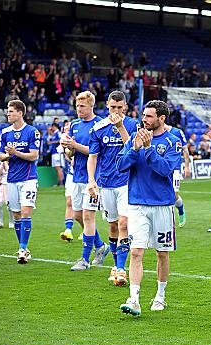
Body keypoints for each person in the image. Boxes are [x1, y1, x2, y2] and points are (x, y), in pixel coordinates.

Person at [118, 100, 182, 316]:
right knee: (136, 251)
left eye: (149, 116)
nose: (144, 119)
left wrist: (148, 149)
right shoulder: (134, 139)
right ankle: (133, 298)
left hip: (162, 205)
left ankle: (160, 296)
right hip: (137, 204)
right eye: (143, 115)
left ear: (161, 118)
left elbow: (164, 170)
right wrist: (135, 148)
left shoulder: (173, 142)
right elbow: (121, 166)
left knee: (162, 253)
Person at [87, 90, 139, 285]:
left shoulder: (133, 125)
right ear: (107, 105)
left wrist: (120, 127)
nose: (116, 111)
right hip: (106, 183)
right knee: (113, 225)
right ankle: (116, 264)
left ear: (125, 106)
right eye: (112, 107)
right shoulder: (98, 128)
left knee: (124, 224)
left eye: (119, 107)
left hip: (127, 181)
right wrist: (91, 180)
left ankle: (120, 268)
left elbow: (133, 148)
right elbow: (93, 158)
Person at [61, 91, 106, 271]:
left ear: (91, 106)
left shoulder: (100, 124)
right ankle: (101, 246)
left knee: (88, 216)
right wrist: (67, 148)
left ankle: (85, 259)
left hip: (93, 178)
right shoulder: (74, 125)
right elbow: (71, 153)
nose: (79, 109)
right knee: (78, 215)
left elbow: (97, 152)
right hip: (76, 175)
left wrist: (75, 146)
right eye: (77, 106)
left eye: (82, 106)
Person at [0, 100, 41, 264]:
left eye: (10, 111)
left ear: (20, 113)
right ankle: (23, 247)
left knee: (25, 213)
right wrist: (8, 155)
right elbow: (0, 156)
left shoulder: (32, 132)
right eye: (8, 111)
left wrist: (15, 152)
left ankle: (22, 249)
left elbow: (34, 155)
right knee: (16, 215)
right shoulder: (5, 133)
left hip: (29, 178)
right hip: (12, 178)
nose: (8, 114)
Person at [164, 122, 191, 227]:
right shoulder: (153, 132)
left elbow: (185, 150)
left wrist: (187, 166)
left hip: (175, 168)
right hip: (162, 168)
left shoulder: (177, 132)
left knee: (174, 195)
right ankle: (169, 220)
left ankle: (180, 209)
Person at [0, 160, 14, 228]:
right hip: (2, 187)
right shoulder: (2, 164)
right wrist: (2, 164)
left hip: (10, 187)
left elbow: (8, 171)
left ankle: (11, 222)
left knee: (9, 206)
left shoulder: (12, 165)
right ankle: (0, 222)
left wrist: (5, 163)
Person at [47, 122, 64, 186]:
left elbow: (60, 141)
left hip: (58, 153)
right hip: (54, 152)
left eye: (52, 127)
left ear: (55, 127)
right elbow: (49, 140)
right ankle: (59, 181)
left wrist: (52, 142)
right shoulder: (54, 134)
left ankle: (61, 182)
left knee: (58, 168)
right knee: (56, 168)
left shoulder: (58, 133)